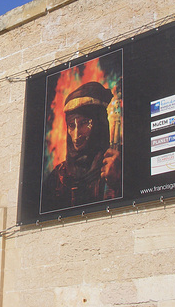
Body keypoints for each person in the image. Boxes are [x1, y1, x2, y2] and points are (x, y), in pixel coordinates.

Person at [41, 81, 121, 212]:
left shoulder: (115, 165)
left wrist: (117, 182)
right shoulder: (57, 178)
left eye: (84, 123)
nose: (76, 135)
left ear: (99, 125)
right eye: (72, 126)